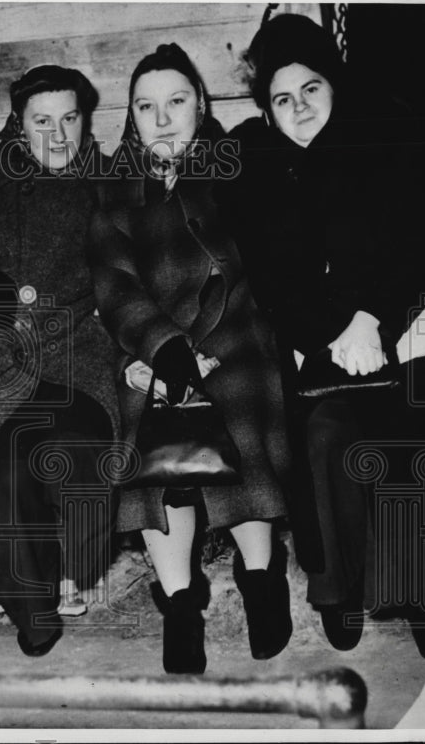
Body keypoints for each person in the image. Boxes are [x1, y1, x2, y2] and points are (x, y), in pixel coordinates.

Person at [220, 13, 425, 658]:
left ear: (335, 87)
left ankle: (419, 588)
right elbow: (271, 281)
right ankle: (339, 588)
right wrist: (335, 336)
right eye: (282, 99)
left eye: (311, 90)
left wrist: (372, 320)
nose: (299, 108)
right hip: (318, 347)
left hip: (397, 330)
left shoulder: (387, 146)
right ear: (267, 111)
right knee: (327, 439)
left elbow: (421, 248)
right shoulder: (258, 172)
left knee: (412, 432)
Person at [87, 44, 293, 674]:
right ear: (131, 116)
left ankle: (261, 576)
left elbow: (257, 263)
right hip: (151, 347)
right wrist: (164, 353)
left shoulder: (234, 169)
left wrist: (201, 347)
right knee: (150, 432)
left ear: (200, 105)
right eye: (145, 107)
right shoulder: (114, 191)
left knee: (239, 407)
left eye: (176, 102)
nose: (162, 118)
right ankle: (180, 603)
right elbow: (115, 287)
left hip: (234, 332)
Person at [0, 65, 121, 657]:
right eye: (42, 122)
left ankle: (61, 571)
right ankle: (31, 604)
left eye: (70, 119)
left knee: (60, 452)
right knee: (10, 465)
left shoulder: (108, 183)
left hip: (78, 359)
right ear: (18, 125)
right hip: (0, 360)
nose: (59, 136)